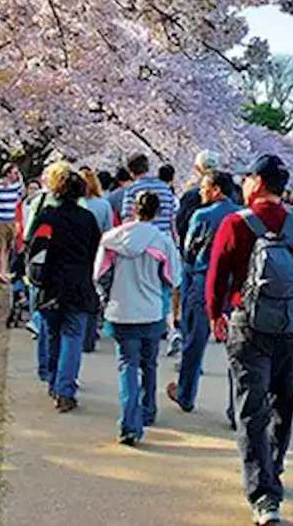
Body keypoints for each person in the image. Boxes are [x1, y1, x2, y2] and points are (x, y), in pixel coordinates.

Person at [206, 154, 293, 526]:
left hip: (248, 326)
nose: (242, 184)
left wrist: (216, 315)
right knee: (282, 404)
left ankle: (263, 497)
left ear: (258, 182)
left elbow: (216, 277)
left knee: (251, 408)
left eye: (247, 178)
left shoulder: (235, 224)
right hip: (290, 328)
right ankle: (273, 471)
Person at [95, 190, 181, 445]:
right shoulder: (163, 242)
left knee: (127, 365)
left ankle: (129, 423)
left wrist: (106, 297)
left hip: (121, 309)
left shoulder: (111, 239)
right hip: (151, 310)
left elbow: (100, 275)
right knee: (149, 362)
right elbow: (173, 278)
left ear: (133, 209)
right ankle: (148, 409)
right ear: (157, 212)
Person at [169, 169, 240, 421]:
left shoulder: (202, 216)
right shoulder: (242, 216)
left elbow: (189, 252)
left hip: (204, 281)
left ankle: (186, 394)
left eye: (204, 187)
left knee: (194, 341)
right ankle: (235, 408)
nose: (200, 192)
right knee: (236, 348)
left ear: (216, 189)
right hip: (234, 286)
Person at [34, 171, 102, 412]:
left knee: (51, 335)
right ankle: (65, 390)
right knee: (72, 337)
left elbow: (36, 248)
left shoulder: (47, 216)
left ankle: (53, 382)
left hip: (51, 283)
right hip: (80, 284)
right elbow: (96, 252)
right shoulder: (88, 219)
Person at [78, 167, 115, 352]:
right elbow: (108, 231)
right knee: (93, 292)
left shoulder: (77, 204)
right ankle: (90, 335)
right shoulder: (103, 205)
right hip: (97, 251)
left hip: (77, 251)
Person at [0, 165, 24, 283]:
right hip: (0, 220)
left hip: (12, 219)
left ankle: (5, 271)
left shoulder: (17, 187)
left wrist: (19, 177)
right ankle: (1, 273)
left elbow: (23, 192)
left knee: (10, 247)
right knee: (1, 247)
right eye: (14, 173)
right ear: (8, 173)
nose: (16, 175)